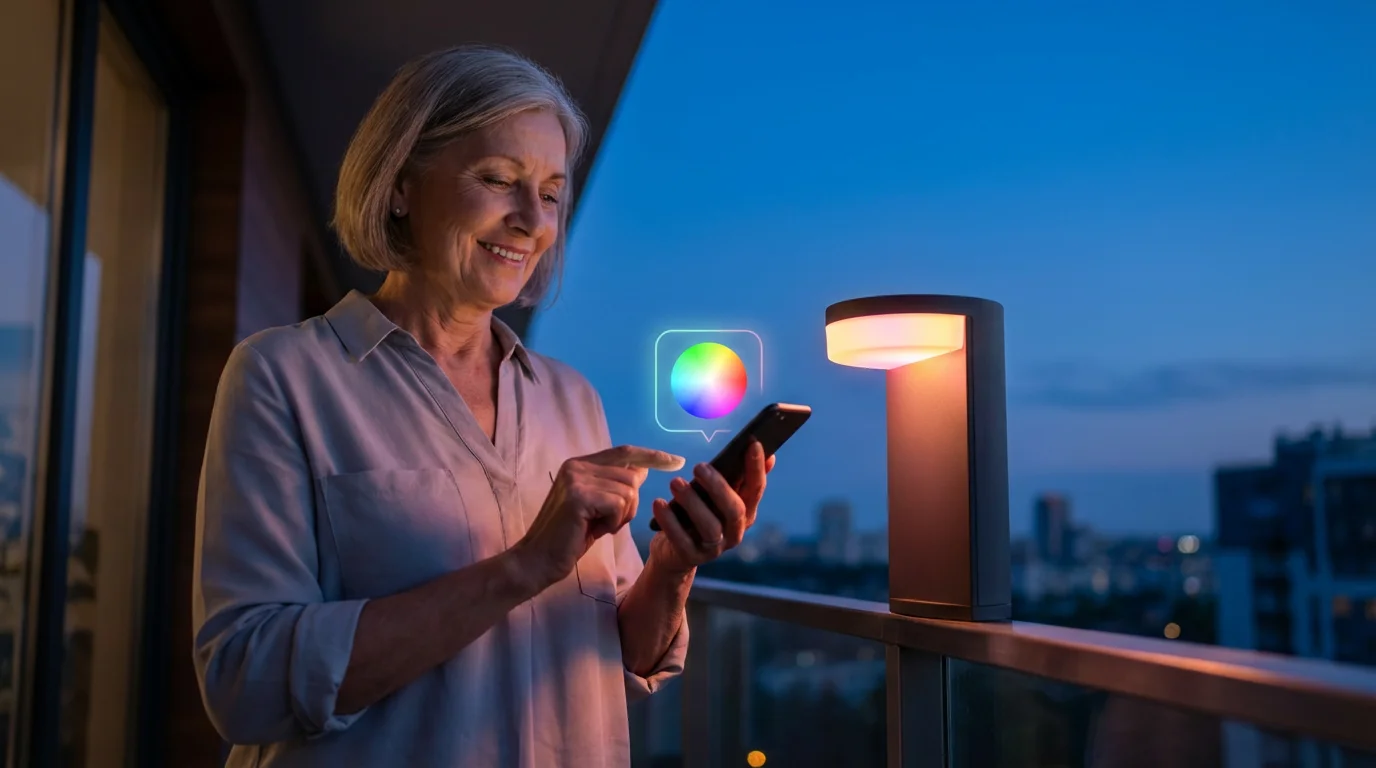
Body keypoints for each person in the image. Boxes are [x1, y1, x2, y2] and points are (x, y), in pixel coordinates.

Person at [191, 44, 774, 768]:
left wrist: (675, 564)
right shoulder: (285, 377)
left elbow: (623, 655)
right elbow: (244, 679)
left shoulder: (571, 400)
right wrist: (524, 565)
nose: (532, 219)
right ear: (402, 184)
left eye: (553, 193)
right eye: (499, 179)